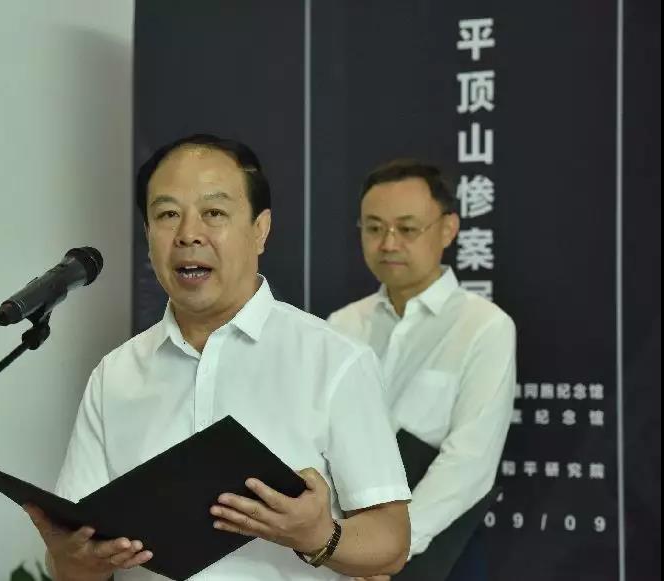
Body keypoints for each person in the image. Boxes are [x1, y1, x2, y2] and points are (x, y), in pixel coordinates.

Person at [26, 135, 412, 580]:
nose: (189, 234)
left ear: (260, 229)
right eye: (167, 215)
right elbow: (77, 556)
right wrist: (73, 561)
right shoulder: (115, 375)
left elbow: (391, 541)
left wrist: (318, 536)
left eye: (214, 213)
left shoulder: (334, 359)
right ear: (148, 235)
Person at [328, 159, 516, 581]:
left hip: (435, 555)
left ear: (448, 229)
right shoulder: (342, 325)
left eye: (408, 228)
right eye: (374, 228)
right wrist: (338, 544)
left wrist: (388, 549)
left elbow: (469, 462)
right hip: (341, 550)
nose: (388, 243)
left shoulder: (484, 327)